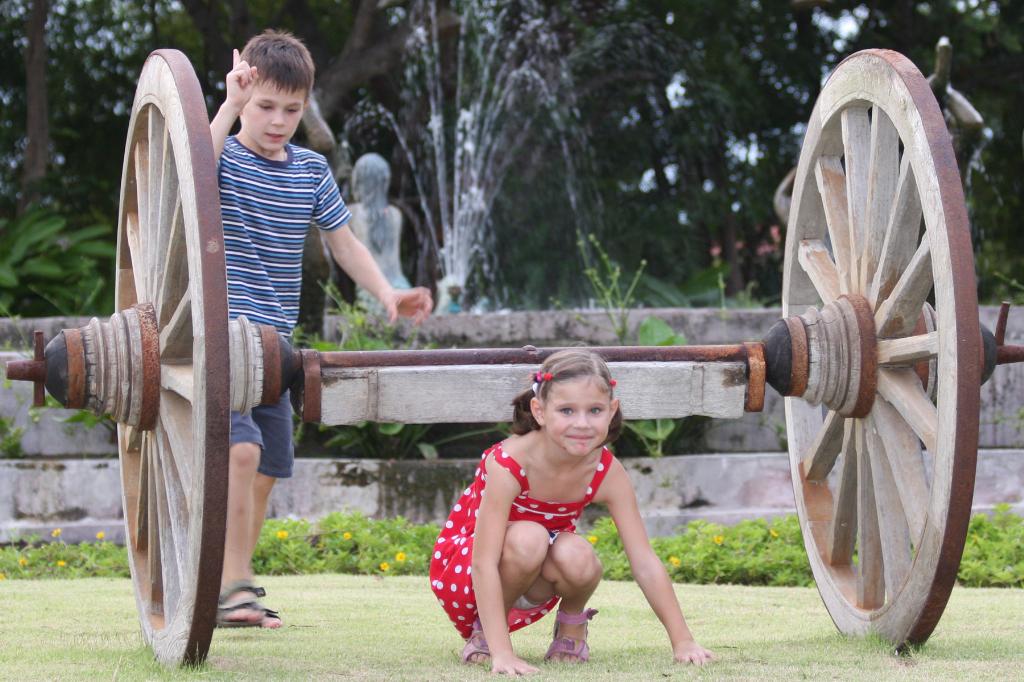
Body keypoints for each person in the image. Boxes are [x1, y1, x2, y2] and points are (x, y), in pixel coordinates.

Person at [209, 30, 433, 628]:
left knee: (267, 468)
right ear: (245, 96)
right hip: (224, 333)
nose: (279, 120)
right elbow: (187, 181)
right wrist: (228, 108)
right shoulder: (224, 157)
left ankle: (235, 579)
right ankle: (231, 589)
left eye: (292, 109)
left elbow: (344, 242)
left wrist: (387, 291)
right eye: (265, 107)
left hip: (275, 345)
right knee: (242, 447)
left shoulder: (310, 169)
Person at [429, 349, 713, 673]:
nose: (582, 424)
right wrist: (503, 654)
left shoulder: (606, 471)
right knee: (529, 537)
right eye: (566, 410)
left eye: (594, 410)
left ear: (612, 411)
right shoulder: (508, 464)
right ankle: (487, 634)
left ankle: (572, 623)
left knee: (577, 554)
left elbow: (644, 561)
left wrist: (683, 640)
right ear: (539, 411)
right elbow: (483, 562)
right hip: (469, 571)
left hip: (538, 569)